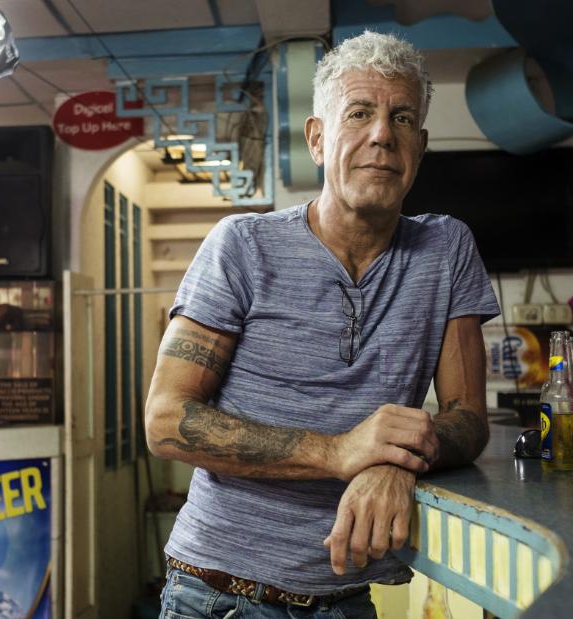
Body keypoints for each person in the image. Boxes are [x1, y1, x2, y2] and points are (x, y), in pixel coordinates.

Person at [145, 31, 500, 617]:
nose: (382, 134)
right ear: (317, 138)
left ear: (421, 144)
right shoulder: (242, 246)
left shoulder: (446, 249)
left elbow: (468, 418)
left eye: (402, 118)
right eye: (359, 113)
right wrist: (340, 452)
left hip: (345, 599)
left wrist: (394, 457)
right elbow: (165, 422)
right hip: (218, 596)